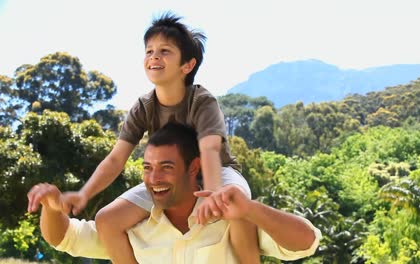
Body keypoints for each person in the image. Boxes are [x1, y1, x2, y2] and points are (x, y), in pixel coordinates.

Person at [60, 12, 259, 264]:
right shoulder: (143, 106)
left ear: (187, 66)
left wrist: (214, 193)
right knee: (106, 220)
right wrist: (84, 193)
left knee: (234, 206)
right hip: (170, 177)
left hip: (217, 171)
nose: (154, 56)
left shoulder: (202, 101)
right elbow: (116, 159)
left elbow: (209, 150)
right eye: (149, 50)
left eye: (165, 51)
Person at [28, 122, 322, 263]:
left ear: (194, 168)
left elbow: (306, 242)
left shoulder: (232, 220)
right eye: (147, 167)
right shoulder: (130, 228)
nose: (153, 178)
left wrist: (249, 209)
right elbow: (63, 237)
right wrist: (53, 208)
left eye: (166, 167)